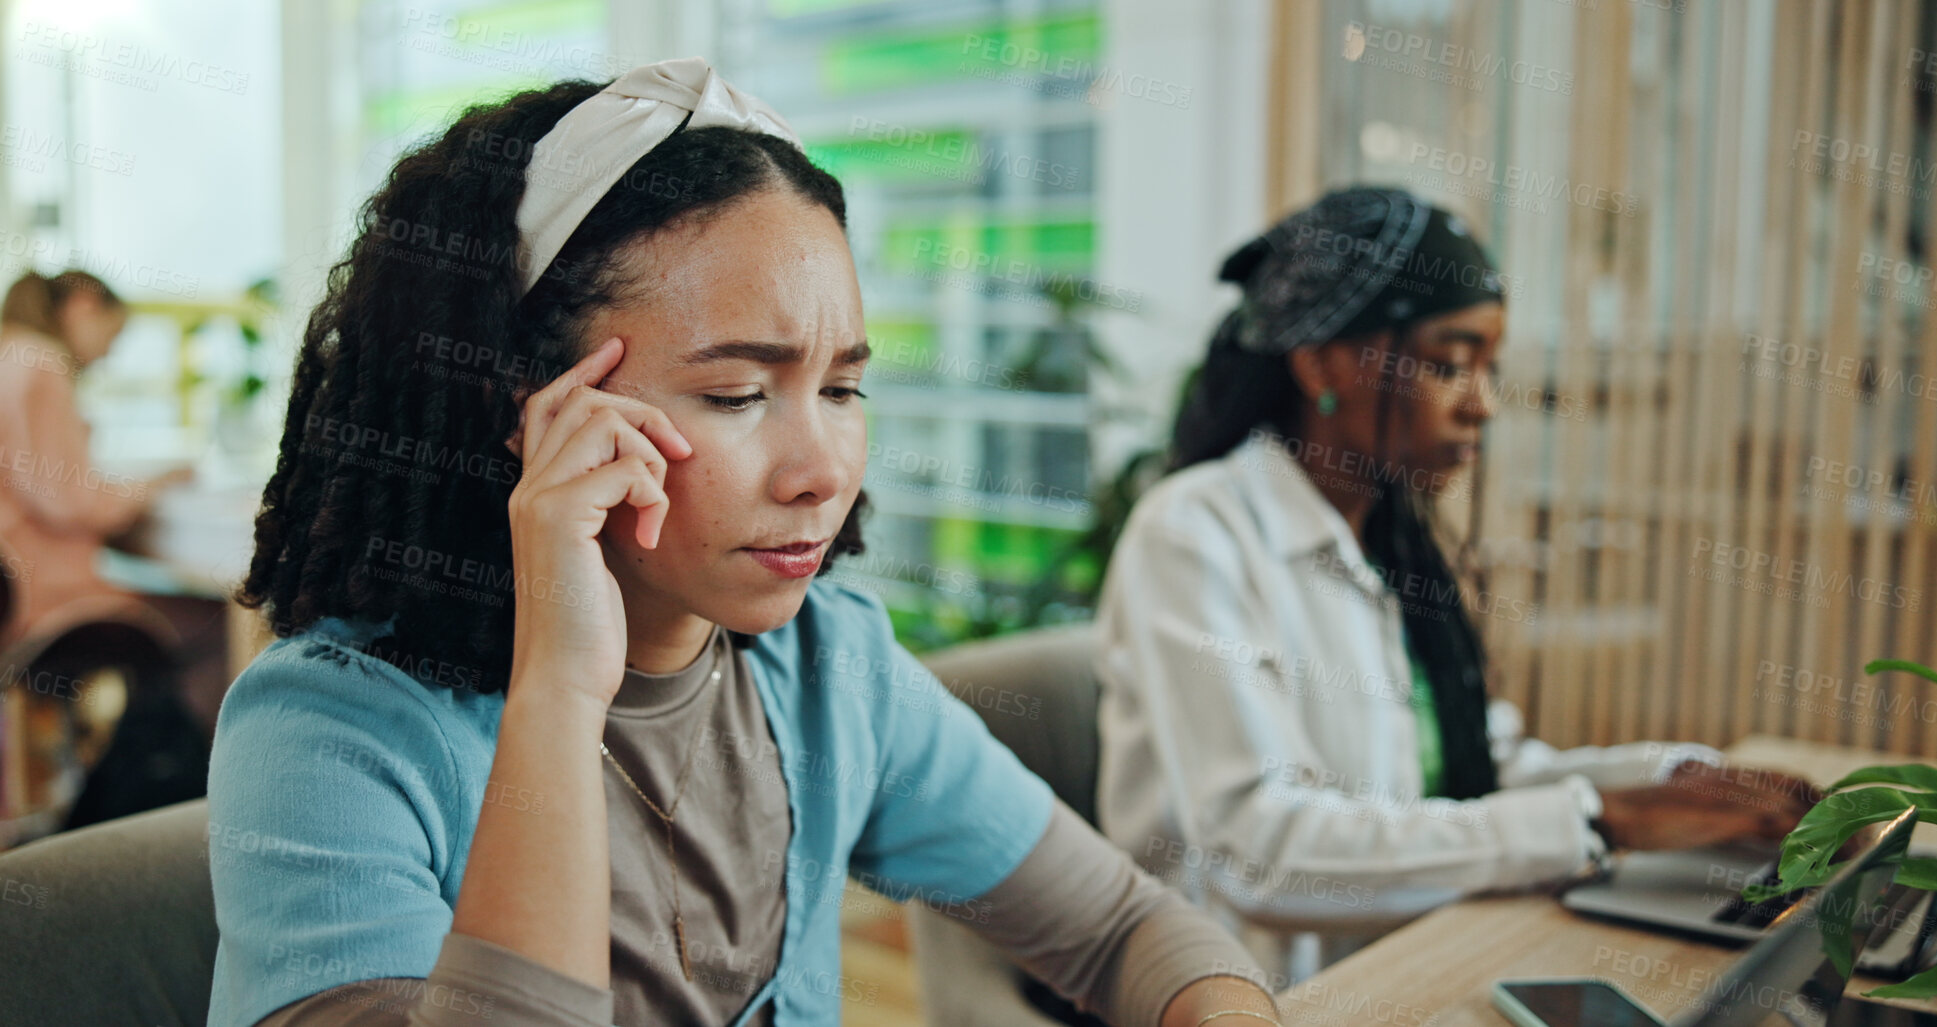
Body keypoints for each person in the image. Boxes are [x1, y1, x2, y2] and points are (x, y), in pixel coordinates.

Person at [207, 59, 1285, 1027]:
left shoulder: (829, 669)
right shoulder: (327, 732)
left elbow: (1120, 930)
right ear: (530, 408)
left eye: (844, 386)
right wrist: (558, 690)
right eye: (735, 393)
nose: (820, 465)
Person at [1092, 187, 1816, 988]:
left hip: (1405, 951)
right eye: (1447, 363)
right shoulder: (1192, 533)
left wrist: (1672, 780)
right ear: (1322, 361)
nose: (1482, 404)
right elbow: (1262, 853)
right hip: (1251, 992)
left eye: (1487, 367)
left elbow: (1469, 766)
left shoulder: (1385, 534)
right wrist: (1595, 819)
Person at [0, 270, 192, 644]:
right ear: (84, 306)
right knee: (211, 624)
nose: (108, 353)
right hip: (43, 598)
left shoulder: (10, 353)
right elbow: (71, 501)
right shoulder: (41, 363)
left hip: (16, 589)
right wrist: (153, 487)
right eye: (114, 334)